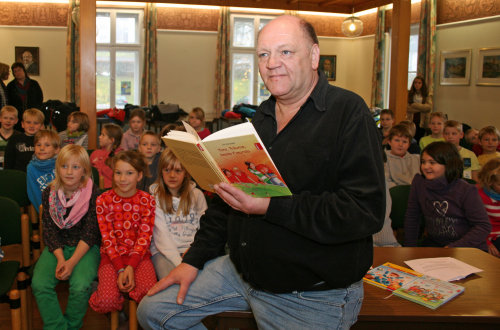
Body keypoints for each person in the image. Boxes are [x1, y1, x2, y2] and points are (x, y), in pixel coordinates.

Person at [137, 15, 385, 330]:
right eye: (263, 54)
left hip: (309, 293)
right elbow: (224, 202)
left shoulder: (349, 114)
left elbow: (364, 212)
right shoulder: (262, 116)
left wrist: (270, 206)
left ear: (313, 56)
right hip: (239, 272)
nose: (271, 64)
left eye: (285, 52)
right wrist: (192, 261)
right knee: (153, 312)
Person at [31, 144, 101, 330]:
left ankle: (73, 325)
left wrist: (71, 262)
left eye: (76, 167)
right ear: (57, 168)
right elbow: (49, 231)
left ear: (84, 171)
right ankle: (58, 327)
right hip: (57, 248)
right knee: (40, 284)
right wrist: (61, 259)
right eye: (64, 166)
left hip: (84, 248)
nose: (69, 172)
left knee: (80, 286)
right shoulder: (49, 193)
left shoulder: (94, 193)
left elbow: (91, 232)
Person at [89, 150, 157, 313]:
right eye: (118, 173)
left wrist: (131, 267)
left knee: (150, 295)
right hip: (112, 258)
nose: (122, 178)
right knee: (106, 301)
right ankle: (109, 298)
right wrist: (121, 269)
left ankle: (130, 313)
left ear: (139, 176)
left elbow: (144, 237)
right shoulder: (103, 200)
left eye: (129, 173)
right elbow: (108, 239)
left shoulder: (148, 200)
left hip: (139, 257)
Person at [404, 141, 490, 251]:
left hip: (466, 248)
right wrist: (409, 249)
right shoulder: (419, 182)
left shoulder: (466, 190)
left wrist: (452, 248)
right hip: (435, 244)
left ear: (448, 164)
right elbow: (412, 216)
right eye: (423, 162)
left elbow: (483, 226)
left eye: (432, 162)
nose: (426, 167)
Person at [150, 150, 207, 279]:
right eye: (167, 170)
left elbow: (204, 228)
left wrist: (193, 254)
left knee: (203, 282)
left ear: (186, 172)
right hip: (163, 252)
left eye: (178, 171)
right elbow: (161, 237)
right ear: (160, 172)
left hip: (192, 251)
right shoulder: (155, 198)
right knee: (171, 283)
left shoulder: (197, 195)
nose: (172, 175)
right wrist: (181, 264)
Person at [27, 129, 60, 209]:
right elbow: (34, 194)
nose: (41, 148)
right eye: (38, 145)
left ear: (56, 150)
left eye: (47, 145)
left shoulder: (61, 164)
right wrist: (45, 212)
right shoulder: (31, 168)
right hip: (44, 210)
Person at [6, 62, 43, 132]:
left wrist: (36, 111)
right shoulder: (10, 86)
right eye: (15, 71)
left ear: (24, 70)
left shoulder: (34, 84)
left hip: (33, 116)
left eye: (19, 70)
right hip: (17, 117)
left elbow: (40, 98)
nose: (18, 73)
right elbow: (9, 102)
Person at [384, 124, 420, 189]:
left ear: (409, 144)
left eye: (404, 142)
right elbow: (386, 181)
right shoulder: (384, 159)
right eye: (397, 140)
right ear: (389, 141)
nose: (400, 144)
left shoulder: (416, 159)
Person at [477, 158, 500, 257]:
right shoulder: (479, 197)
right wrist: (486, 242)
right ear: (490, 182)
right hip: (487, 237)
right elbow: (475, 224)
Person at [90, 123, 123, 189]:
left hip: (112, 189)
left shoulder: (120, 156)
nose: (99, 137)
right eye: (100, 134)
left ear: (112, 140)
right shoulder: (95, 153)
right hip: (93, 187)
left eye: (103, 135)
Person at [407, 76, 432, 142]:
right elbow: (408, 108)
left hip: (422, 120)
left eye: (419, 83)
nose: (417, 85)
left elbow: (428, 107)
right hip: (412, 119)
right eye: (415, 83)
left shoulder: (426, 95)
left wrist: (414, 105)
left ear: (422, 84)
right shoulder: (410, 94)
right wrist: (422, 108)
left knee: (420, 138)